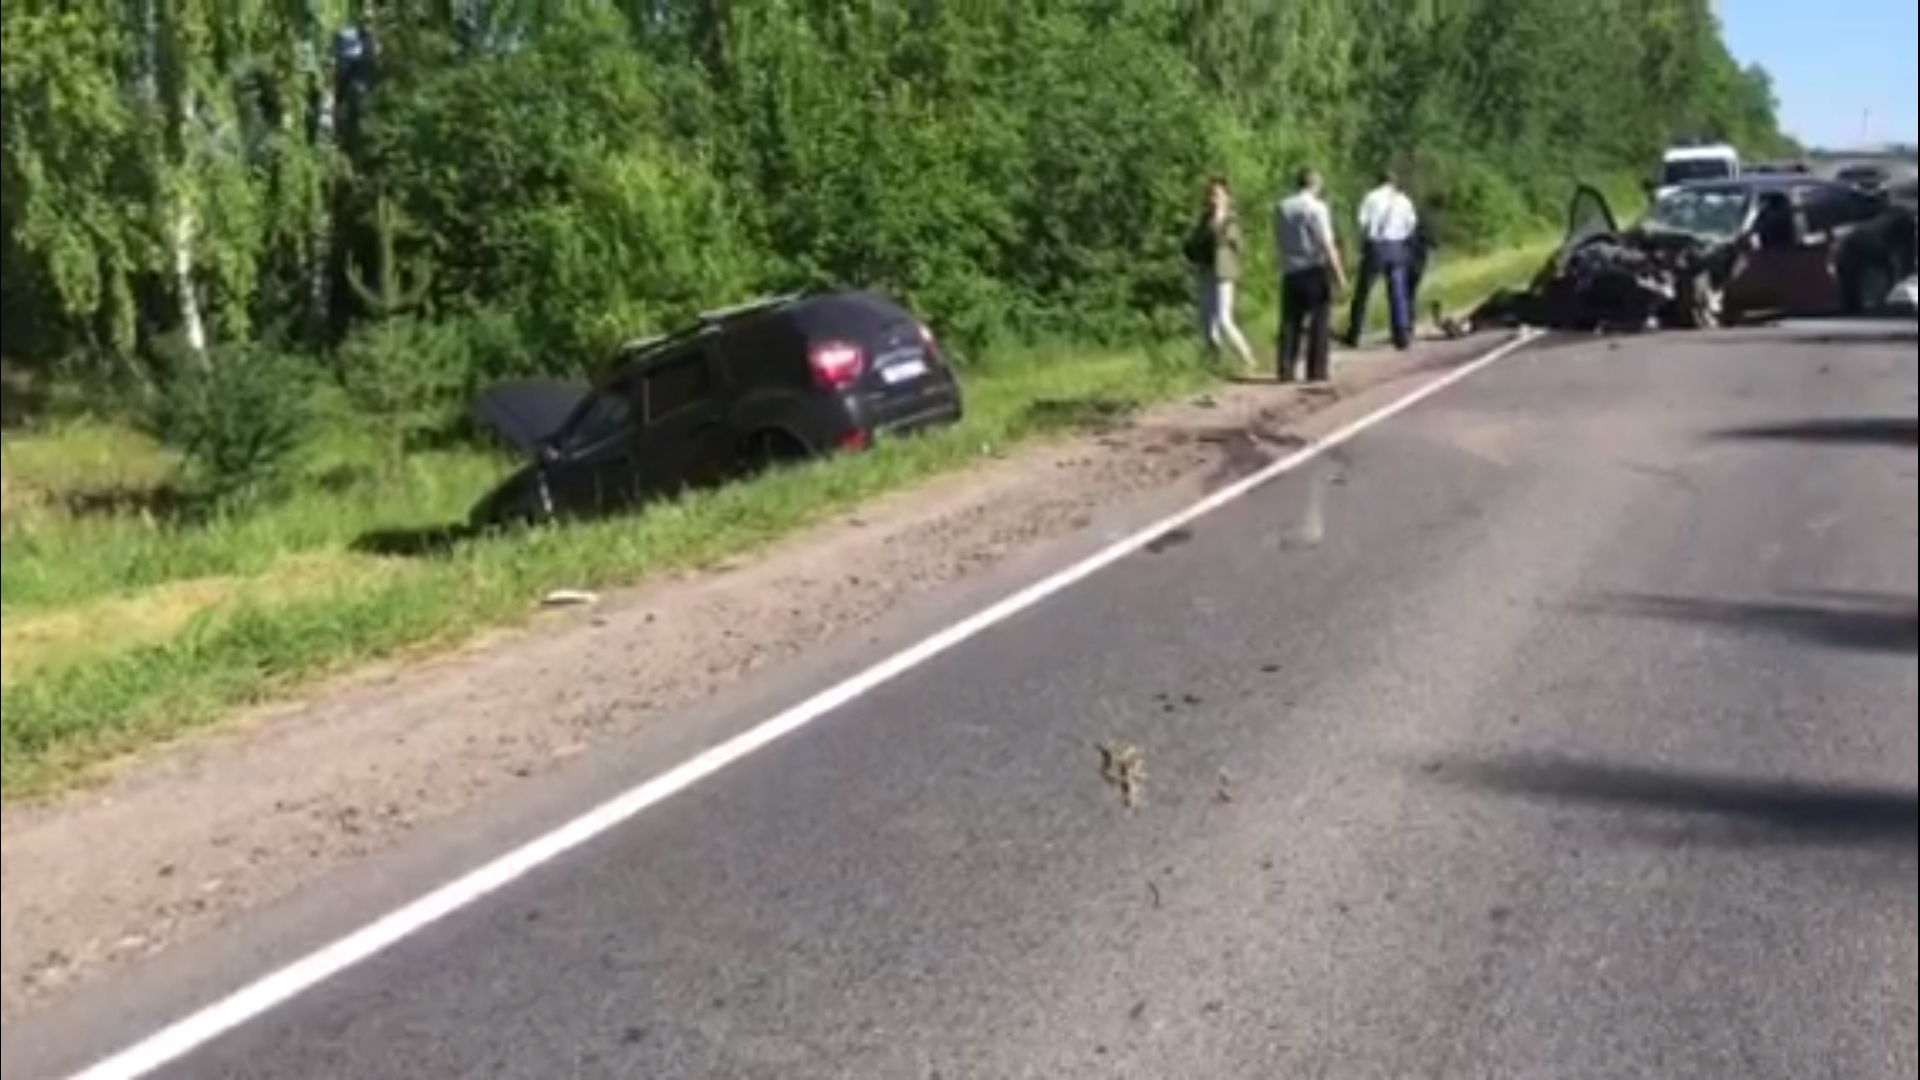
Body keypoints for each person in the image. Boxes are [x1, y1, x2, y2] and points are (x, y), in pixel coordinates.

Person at [1274, 167, 1346, 384]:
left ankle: (1285, 368)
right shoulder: (1317, 208)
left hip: (1290, 269)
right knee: (1319, 321)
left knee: (1289, 321)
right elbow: (1326, 242)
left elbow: (1278, 235)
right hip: (1314, 268)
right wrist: (1339, 274)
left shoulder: (1282, 207)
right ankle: (1316, 369)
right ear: (1315, 184)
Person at [1183, 176, 1255, 370]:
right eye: (1211, 194)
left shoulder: (1231, 220)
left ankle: (1247, 358)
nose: (1213, 199)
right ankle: (1213, 361)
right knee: (1206, 321)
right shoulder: (1204, 219)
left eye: (1217, 195)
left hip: (1224, 273)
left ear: (1226, 197)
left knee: (1224, 320)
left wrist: (1219, 222)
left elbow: (1237, 246)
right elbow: (1195, 241)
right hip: (1205, 270)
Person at [1344, 168, 1419, 350]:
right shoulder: (1403, 200)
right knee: (1397, 292)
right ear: (1394, 182)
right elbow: (1411, 224)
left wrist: (1369, 236)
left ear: (1378, 180)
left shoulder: (1371, 198)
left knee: (1364, 291)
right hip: (1397, 246)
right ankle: (1401, 334)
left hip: (1376, 247)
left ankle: (1356, 331)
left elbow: (1362, 222)